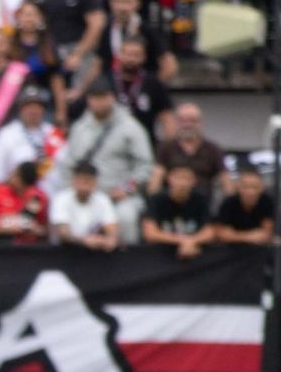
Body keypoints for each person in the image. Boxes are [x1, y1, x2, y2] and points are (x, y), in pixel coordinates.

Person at [58, 81, 153, 242]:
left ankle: (126, 264)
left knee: (126, 217)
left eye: (104, 97)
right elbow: (68, 164)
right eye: (95, 97)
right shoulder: (79, 128)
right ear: (88, 100)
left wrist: (127, 189)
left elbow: (145, 166)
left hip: (119, 195)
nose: (99, 102)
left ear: (112, 98)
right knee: (65, 217)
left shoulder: (130, 127)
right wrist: (72, 191)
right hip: (85, 195)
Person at [142, 164, 213, 261]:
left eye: (187, 178)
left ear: (194, 181)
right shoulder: (156, 200)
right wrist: (184, 241)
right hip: (159, 256)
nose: (182, 183)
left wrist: (191, 241)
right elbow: (150, 233)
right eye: (178, 178)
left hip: (192, 252)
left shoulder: (200, 200)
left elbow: (210, 232)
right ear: (169, 179)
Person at [0, 160, 48, 243]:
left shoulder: (37, 198)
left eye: (15, 174)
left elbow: (42, 230)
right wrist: (7, 230)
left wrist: (36, 230)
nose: (11, 176)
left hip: (27, 250)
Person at [50, 162, 120, 251]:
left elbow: (111, 227)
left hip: (95, 254)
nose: (85, 186)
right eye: (82, 181)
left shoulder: (102, 199)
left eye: (89, 181)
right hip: (63, 253)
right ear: (74, 180)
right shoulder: (61, 199)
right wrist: (83, 241)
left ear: (95, 182)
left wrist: (111, 239)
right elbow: (63, 233)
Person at [212, 167, 276, 246]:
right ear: (238, 187)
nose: (250, 192)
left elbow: (267, 233)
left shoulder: (267, 202)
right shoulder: (229, 203)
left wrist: (234, 235)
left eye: (254, 187)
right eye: (246, 187)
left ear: (262, 188)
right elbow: (222, 234)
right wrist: (250, 237)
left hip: (259, 248)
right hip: (231, 248)